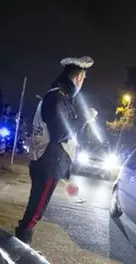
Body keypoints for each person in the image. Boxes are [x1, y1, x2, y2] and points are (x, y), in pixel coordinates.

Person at [15, 56, 96, 245]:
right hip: (49, 162)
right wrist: (85, 117)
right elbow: (61, 131)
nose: (82, 84)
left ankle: (21, 246)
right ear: (78, 78)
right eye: (83, 79)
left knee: (36, 208)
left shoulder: (58, 96)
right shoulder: (57, 97)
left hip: (47, 161)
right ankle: (20, 248)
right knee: (36, 210)